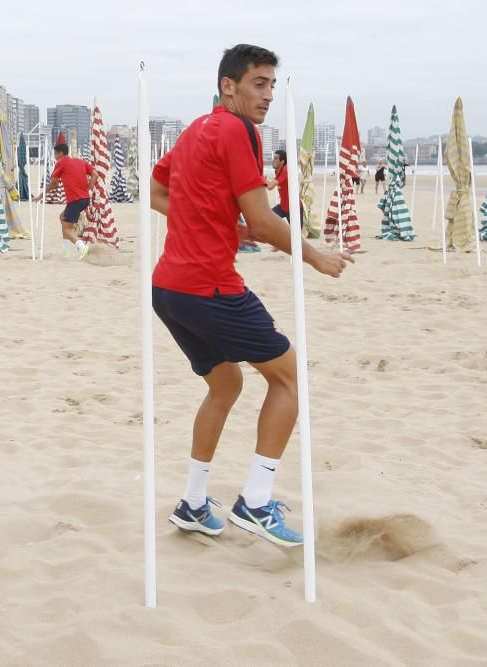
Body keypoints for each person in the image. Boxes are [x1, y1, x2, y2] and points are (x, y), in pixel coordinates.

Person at [150, 44, 352, 546]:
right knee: (289, 378)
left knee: (225, 385)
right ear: (229, 86)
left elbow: (157, 193)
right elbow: (263, 221)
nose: (266, 95)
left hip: (168, 289)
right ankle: (256, 501)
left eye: (271, 85)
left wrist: (216, 223)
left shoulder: (197, 128)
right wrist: (316, 255)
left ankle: (194, 502)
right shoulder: (240, 131)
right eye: (258, 83)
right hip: (209, 286)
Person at [34, 143, 96, 259]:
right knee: (62, 217)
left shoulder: (61, 162)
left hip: (75, 200)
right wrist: (90, 189)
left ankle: (82, 247)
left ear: (60, 153)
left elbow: (54, 183)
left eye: (55, 154)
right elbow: (95, 174)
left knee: (66, 229)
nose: (55, 157)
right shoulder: (80, 161)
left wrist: (41, 196)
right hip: (85, 199)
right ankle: (66, 249)